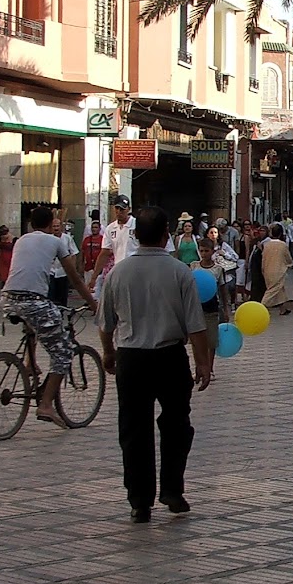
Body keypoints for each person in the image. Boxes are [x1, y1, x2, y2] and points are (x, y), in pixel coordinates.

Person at [98, 206, 212, 523]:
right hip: (170, 357)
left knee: (134, 430)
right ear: (166, 236)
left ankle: (140, 500)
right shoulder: (180, 272)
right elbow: (195, 323)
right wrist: (202, 362)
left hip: (131, 358)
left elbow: (105, 323)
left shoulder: (117, 273)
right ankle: (172, 490)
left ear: (135, 235)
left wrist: (109, 353)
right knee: (177, 425)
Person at [0, 206, 97, 428]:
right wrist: (92, 303)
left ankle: (30, 364)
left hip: (7, 299)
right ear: (50, 223)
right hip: (33, 300)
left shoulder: (21, 240)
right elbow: (76, 279)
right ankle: (46, 404)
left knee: (35, 325)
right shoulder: (56, 242)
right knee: (63, 353)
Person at [192, 237, 231, 376]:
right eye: (201, 251)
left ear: (212, 251)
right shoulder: (194, 266)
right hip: (196, 309)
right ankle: (199, 367)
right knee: (197, 341)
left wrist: (226, 309)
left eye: (206, 251)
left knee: (211, 340)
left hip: (212, 308)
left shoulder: (218, 269)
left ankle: (210, 367)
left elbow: (223, 290)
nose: (204, 254)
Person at [260, 223, 292, 316]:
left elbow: (263, 258)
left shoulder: (266, 245)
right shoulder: (283, 245)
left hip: (267, 270)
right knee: (272, 290)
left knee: (279, 289)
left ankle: (283, 309)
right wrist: (290, 264)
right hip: (279, 271)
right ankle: (261, 307)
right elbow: (288, 258)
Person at [48, 217, 79, 307]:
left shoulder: (67, 238)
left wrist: (72, 270)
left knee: (62, 296)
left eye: (57, 226)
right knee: (51, 296)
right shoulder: (49, 239)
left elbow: (74, 253)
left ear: (61, 226)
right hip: (51, 271)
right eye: (54, 226)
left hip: (63, 272)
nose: (56, 228)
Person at [246, 224, 267, 303]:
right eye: (260, 231)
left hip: (261, 265)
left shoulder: (267, 241)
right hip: (254, 265)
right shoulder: (257, 241)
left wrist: (261, 248)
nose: (261, 233)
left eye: (263, 231)